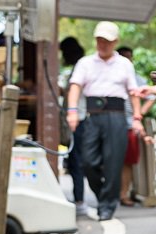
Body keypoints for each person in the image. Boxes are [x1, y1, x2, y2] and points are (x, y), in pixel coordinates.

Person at [66, 21, 143, 221]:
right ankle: (103, 196)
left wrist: (137, 117)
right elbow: (75, 87)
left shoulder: (125, 64)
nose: (103, 44)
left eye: (107, 41)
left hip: (117, 116)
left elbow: (133, 92)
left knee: (113, 162)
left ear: (115, 42)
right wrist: (72, 111)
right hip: (93, 116)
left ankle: (107, 206)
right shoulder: (85, 63)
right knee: (88, 162)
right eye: (100, 40)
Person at [116, 46, 156, 206]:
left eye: (129, 57)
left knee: (128, 161)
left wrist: (138, 114)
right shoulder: (111, 76)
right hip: (111, 123)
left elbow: (151, 97)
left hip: (130, 125)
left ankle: (124, 193)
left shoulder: (136, 78)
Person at [59, 37, 89, 216]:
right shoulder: (79, 67)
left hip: (78, 119)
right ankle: (78, 198)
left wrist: (72, 114)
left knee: (76, 160)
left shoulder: (82, 67)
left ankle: (80, 199)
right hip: (75, 118)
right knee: (74, 159)